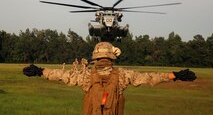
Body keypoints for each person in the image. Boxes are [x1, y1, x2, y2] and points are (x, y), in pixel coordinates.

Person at [23, 42, 196, 115]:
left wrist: (40, 71)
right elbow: (150, 77)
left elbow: (61, 76)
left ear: (95, 57)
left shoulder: (85, 75)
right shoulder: (123, 75)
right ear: (112, 57)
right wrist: (175, 75)